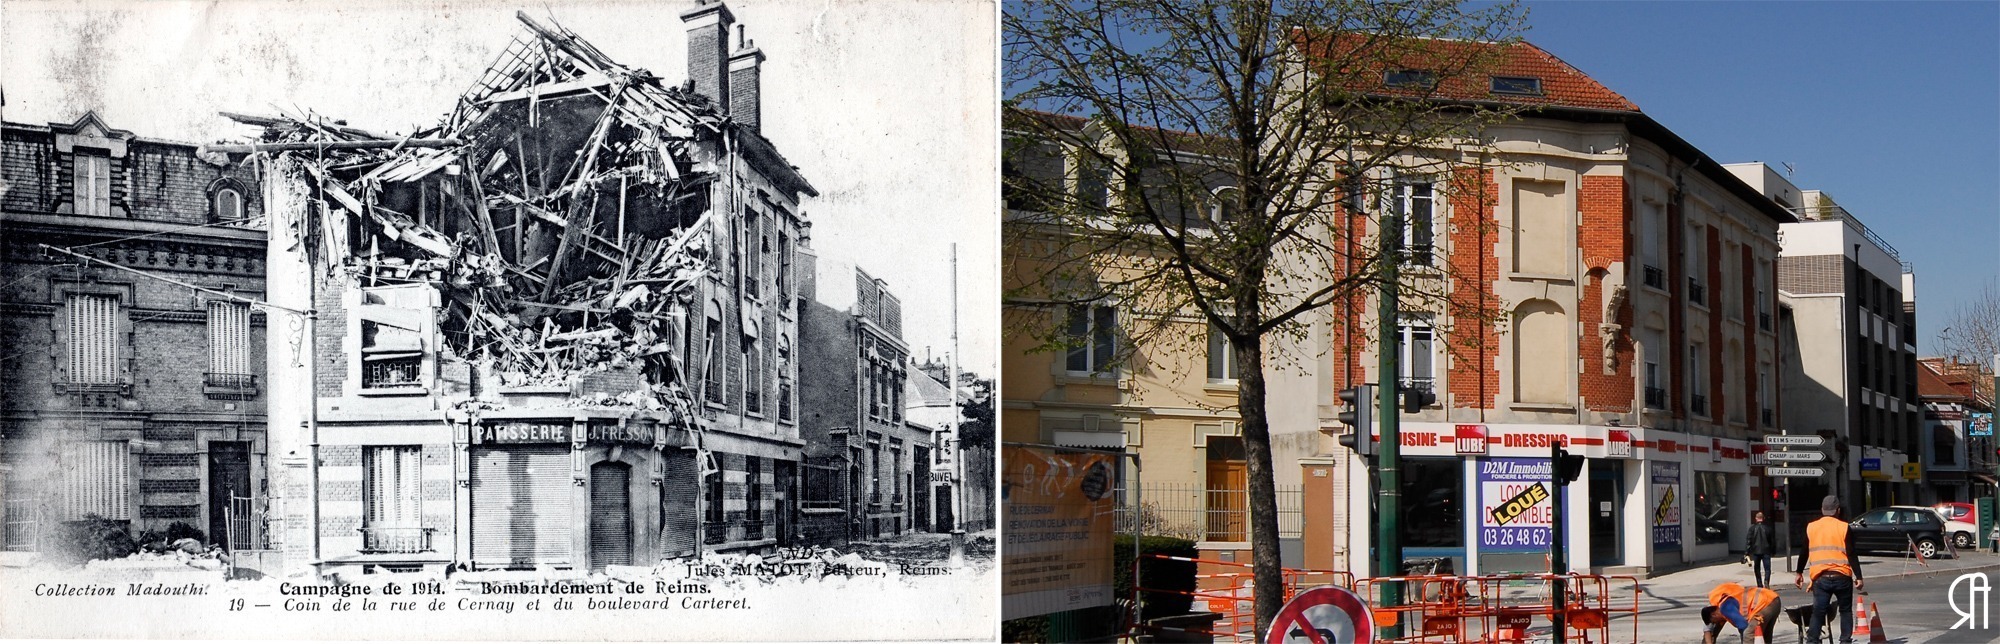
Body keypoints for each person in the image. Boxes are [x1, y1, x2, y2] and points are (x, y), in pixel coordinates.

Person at [1795, 495, 1863, 644]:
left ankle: (1812, 640)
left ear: (1822, 510)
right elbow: (1851, 553)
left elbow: (1804, 552)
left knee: (1818, 612)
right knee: (1845, 611)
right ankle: (1845, 640)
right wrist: (1859, 576)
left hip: (1821, 578)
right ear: (1838, 510)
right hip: (1842, 576)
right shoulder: (1844, 527)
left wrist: (1799, 572)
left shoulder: (1811, 527)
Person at [1702, 581, 1782, 644]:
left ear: (1714, 614)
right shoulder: (1727, 596)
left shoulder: (1725, 608)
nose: (1716, 623)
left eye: (1714, 621)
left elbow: (1743, 626)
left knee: (1748, 634)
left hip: (1763, 604)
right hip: (1773, 599)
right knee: (1764, 636)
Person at [1745, 511, 1775, 588]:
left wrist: (1747, 552)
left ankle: (1759, 584)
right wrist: (1773, 551)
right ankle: (1766, 581)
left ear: (1756, 518)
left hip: (1756, 551)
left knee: (1757, 568)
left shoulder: (1752, 528)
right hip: (1766, 551)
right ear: (1763, 518)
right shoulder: (1768, 528)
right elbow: (1772, 540)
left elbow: (1749, 541)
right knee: (1767, 568)